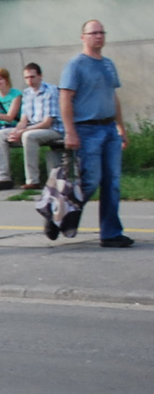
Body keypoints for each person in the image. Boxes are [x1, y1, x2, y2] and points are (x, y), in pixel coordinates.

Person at [59, 19, 132, 248]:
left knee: (113, 182)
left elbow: (113, 97)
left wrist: (121, 127)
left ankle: (110, 233)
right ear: (84, 37)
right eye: (93, 33)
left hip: (109, 129)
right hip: (87, 130)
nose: (98, 36)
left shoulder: (108, 64)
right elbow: (65, 99)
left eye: (101, 33)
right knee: (90, 181)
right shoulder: (76, 65)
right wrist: (70, 132)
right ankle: (59, 214)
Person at [0, 63, 61, 190]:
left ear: (40, 76)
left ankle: (33, 180)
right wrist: (16, 131)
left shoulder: (50, 91)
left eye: (32, 77)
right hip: (31, 127)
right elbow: (23, 120)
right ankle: (3, 178)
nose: (30, 81)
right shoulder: (27, 93)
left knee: (28, 136)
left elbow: (47, 123)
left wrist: (22, 131)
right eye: (26, 78)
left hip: (52, 129)